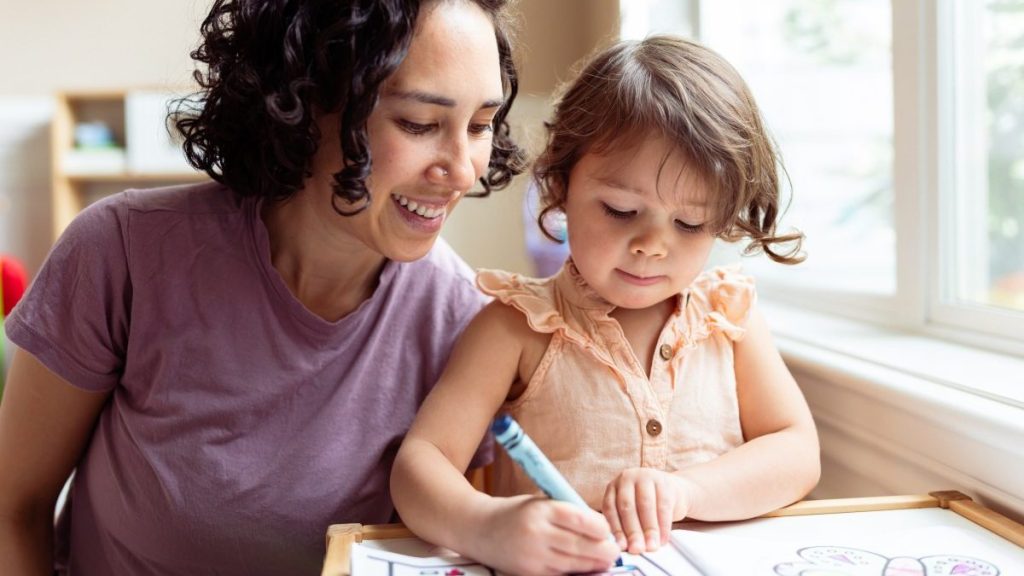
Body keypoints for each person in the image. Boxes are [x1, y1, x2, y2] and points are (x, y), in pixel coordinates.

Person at [0, 0, 525, 574]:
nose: (465, 168)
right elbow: (13, 507)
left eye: (480, 126)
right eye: (419, 123)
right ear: (301, 102)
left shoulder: (465, 327)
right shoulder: (121, 252)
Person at [391, 35, 821, 575]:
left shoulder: (727, 318)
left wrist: (686, 492)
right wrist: (485, 526)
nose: (652, 245)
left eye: (689, 224)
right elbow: (420, 464)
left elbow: (797, 451)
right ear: (560, 187)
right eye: (621, 209)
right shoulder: (516, 326)